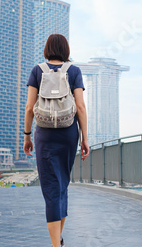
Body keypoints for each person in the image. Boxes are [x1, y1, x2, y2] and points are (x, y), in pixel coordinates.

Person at [24, 34, 90, 247]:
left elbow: (29, 108)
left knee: (51, 189)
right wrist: (85, 138)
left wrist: (26, 136)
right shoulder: (74, 71)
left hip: (44, 134)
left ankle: (55, 245)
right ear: (66, 50)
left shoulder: (37, 70)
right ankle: (58, 241)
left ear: (47, 49)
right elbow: (80, 107)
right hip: (68, 133)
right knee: (62, 185)